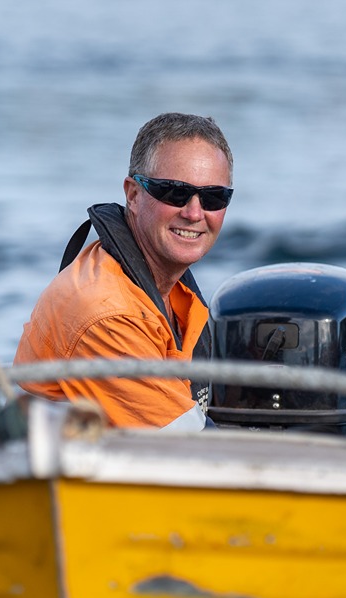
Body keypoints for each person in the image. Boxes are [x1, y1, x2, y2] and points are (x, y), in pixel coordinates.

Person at [14, 112, 234, 429]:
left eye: (214, 197)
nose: (194, 213)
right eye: (174, 192)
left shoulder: (166, 287)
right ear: (133, 194)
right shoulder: (108, 313)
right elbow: (192, 450)